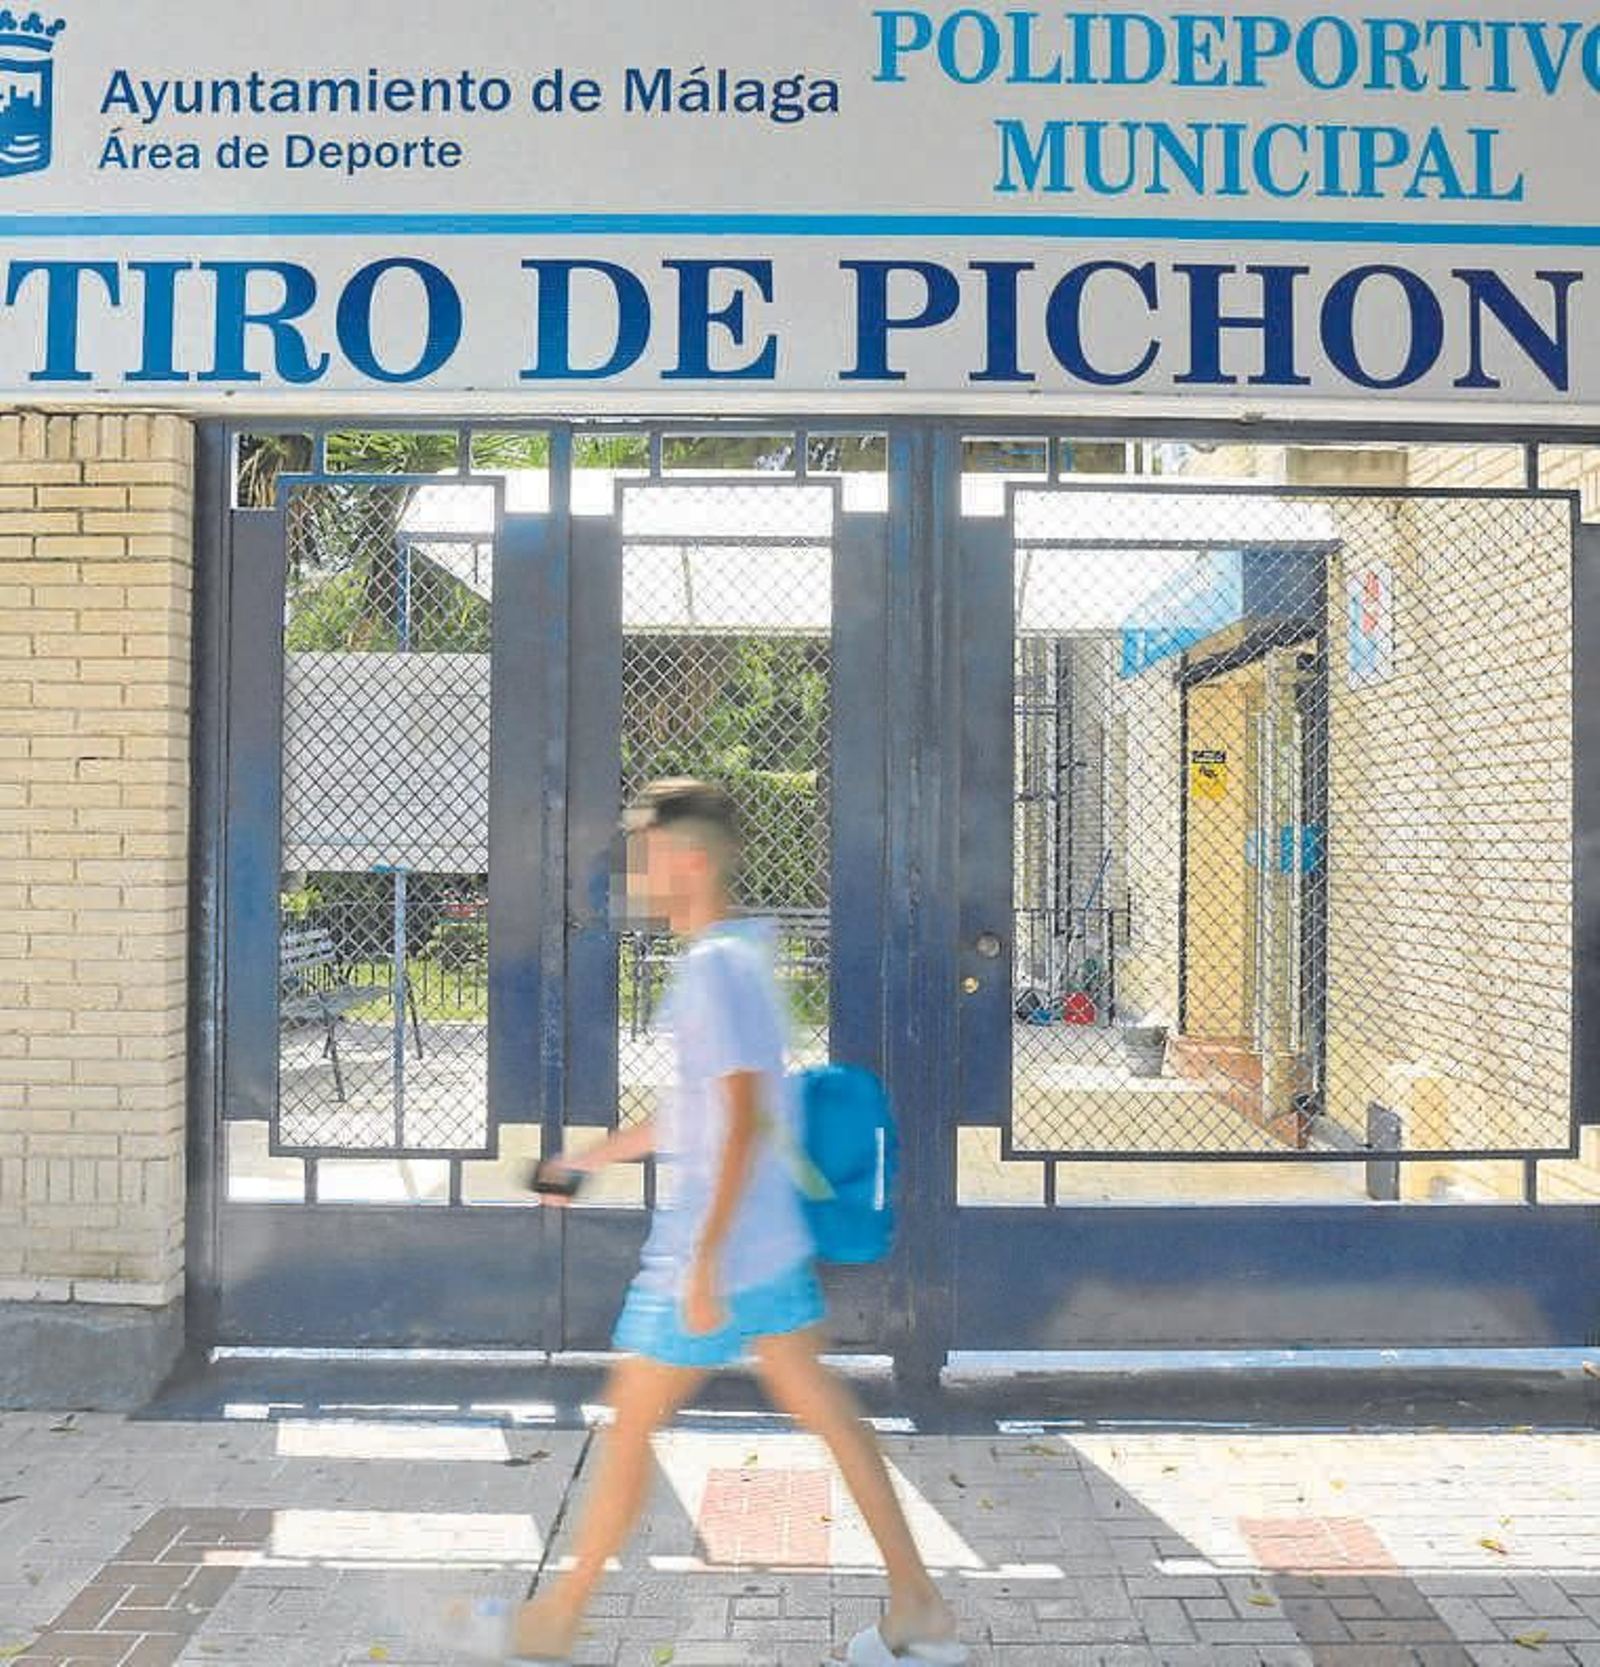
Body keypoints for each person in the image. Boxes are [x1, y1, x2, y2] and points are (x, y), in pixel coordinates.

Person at [450, 778, 964, 1665]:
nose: (634, 871)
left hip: (715, 1252)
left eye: (644, 852)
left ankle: (555, 1621)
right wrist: (590, 1161)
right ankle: (916, 1604)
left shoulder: (713, 971)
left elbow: (730, 1125)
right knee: (830, 1418)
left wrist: (705, 1262)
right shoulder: (734, 960)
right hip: (763, 1249)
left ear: (685, 860)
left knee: (628, 1428)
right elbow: (707, 1111)